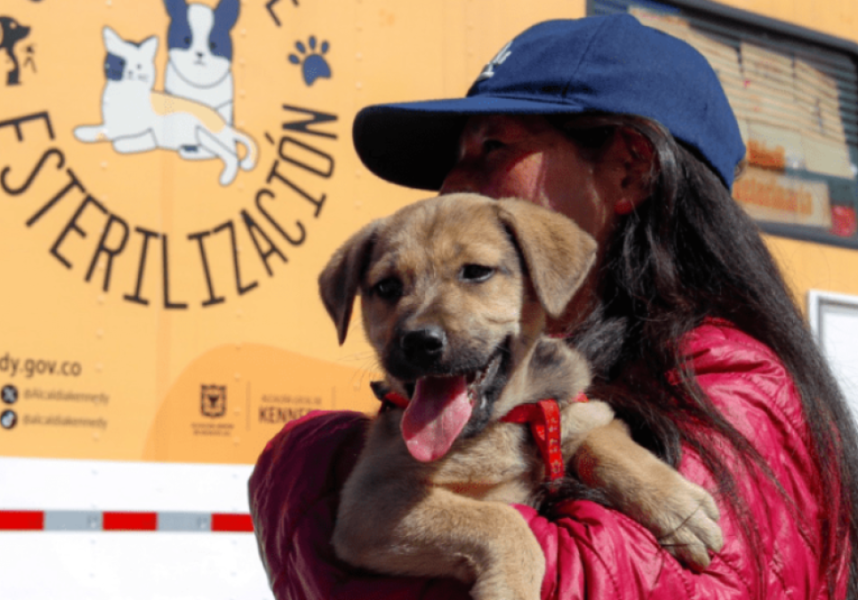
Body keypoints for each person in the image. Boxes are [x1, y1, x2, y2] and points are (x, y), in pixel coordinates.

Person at [248, 14, 858, 600]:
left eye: (493, 146)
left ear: (628, 169)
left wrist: (311, 465)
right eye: (453, 159)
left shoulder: (729, 376)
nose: (451, 187)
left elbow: (635, 581)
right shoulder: (531, 370)